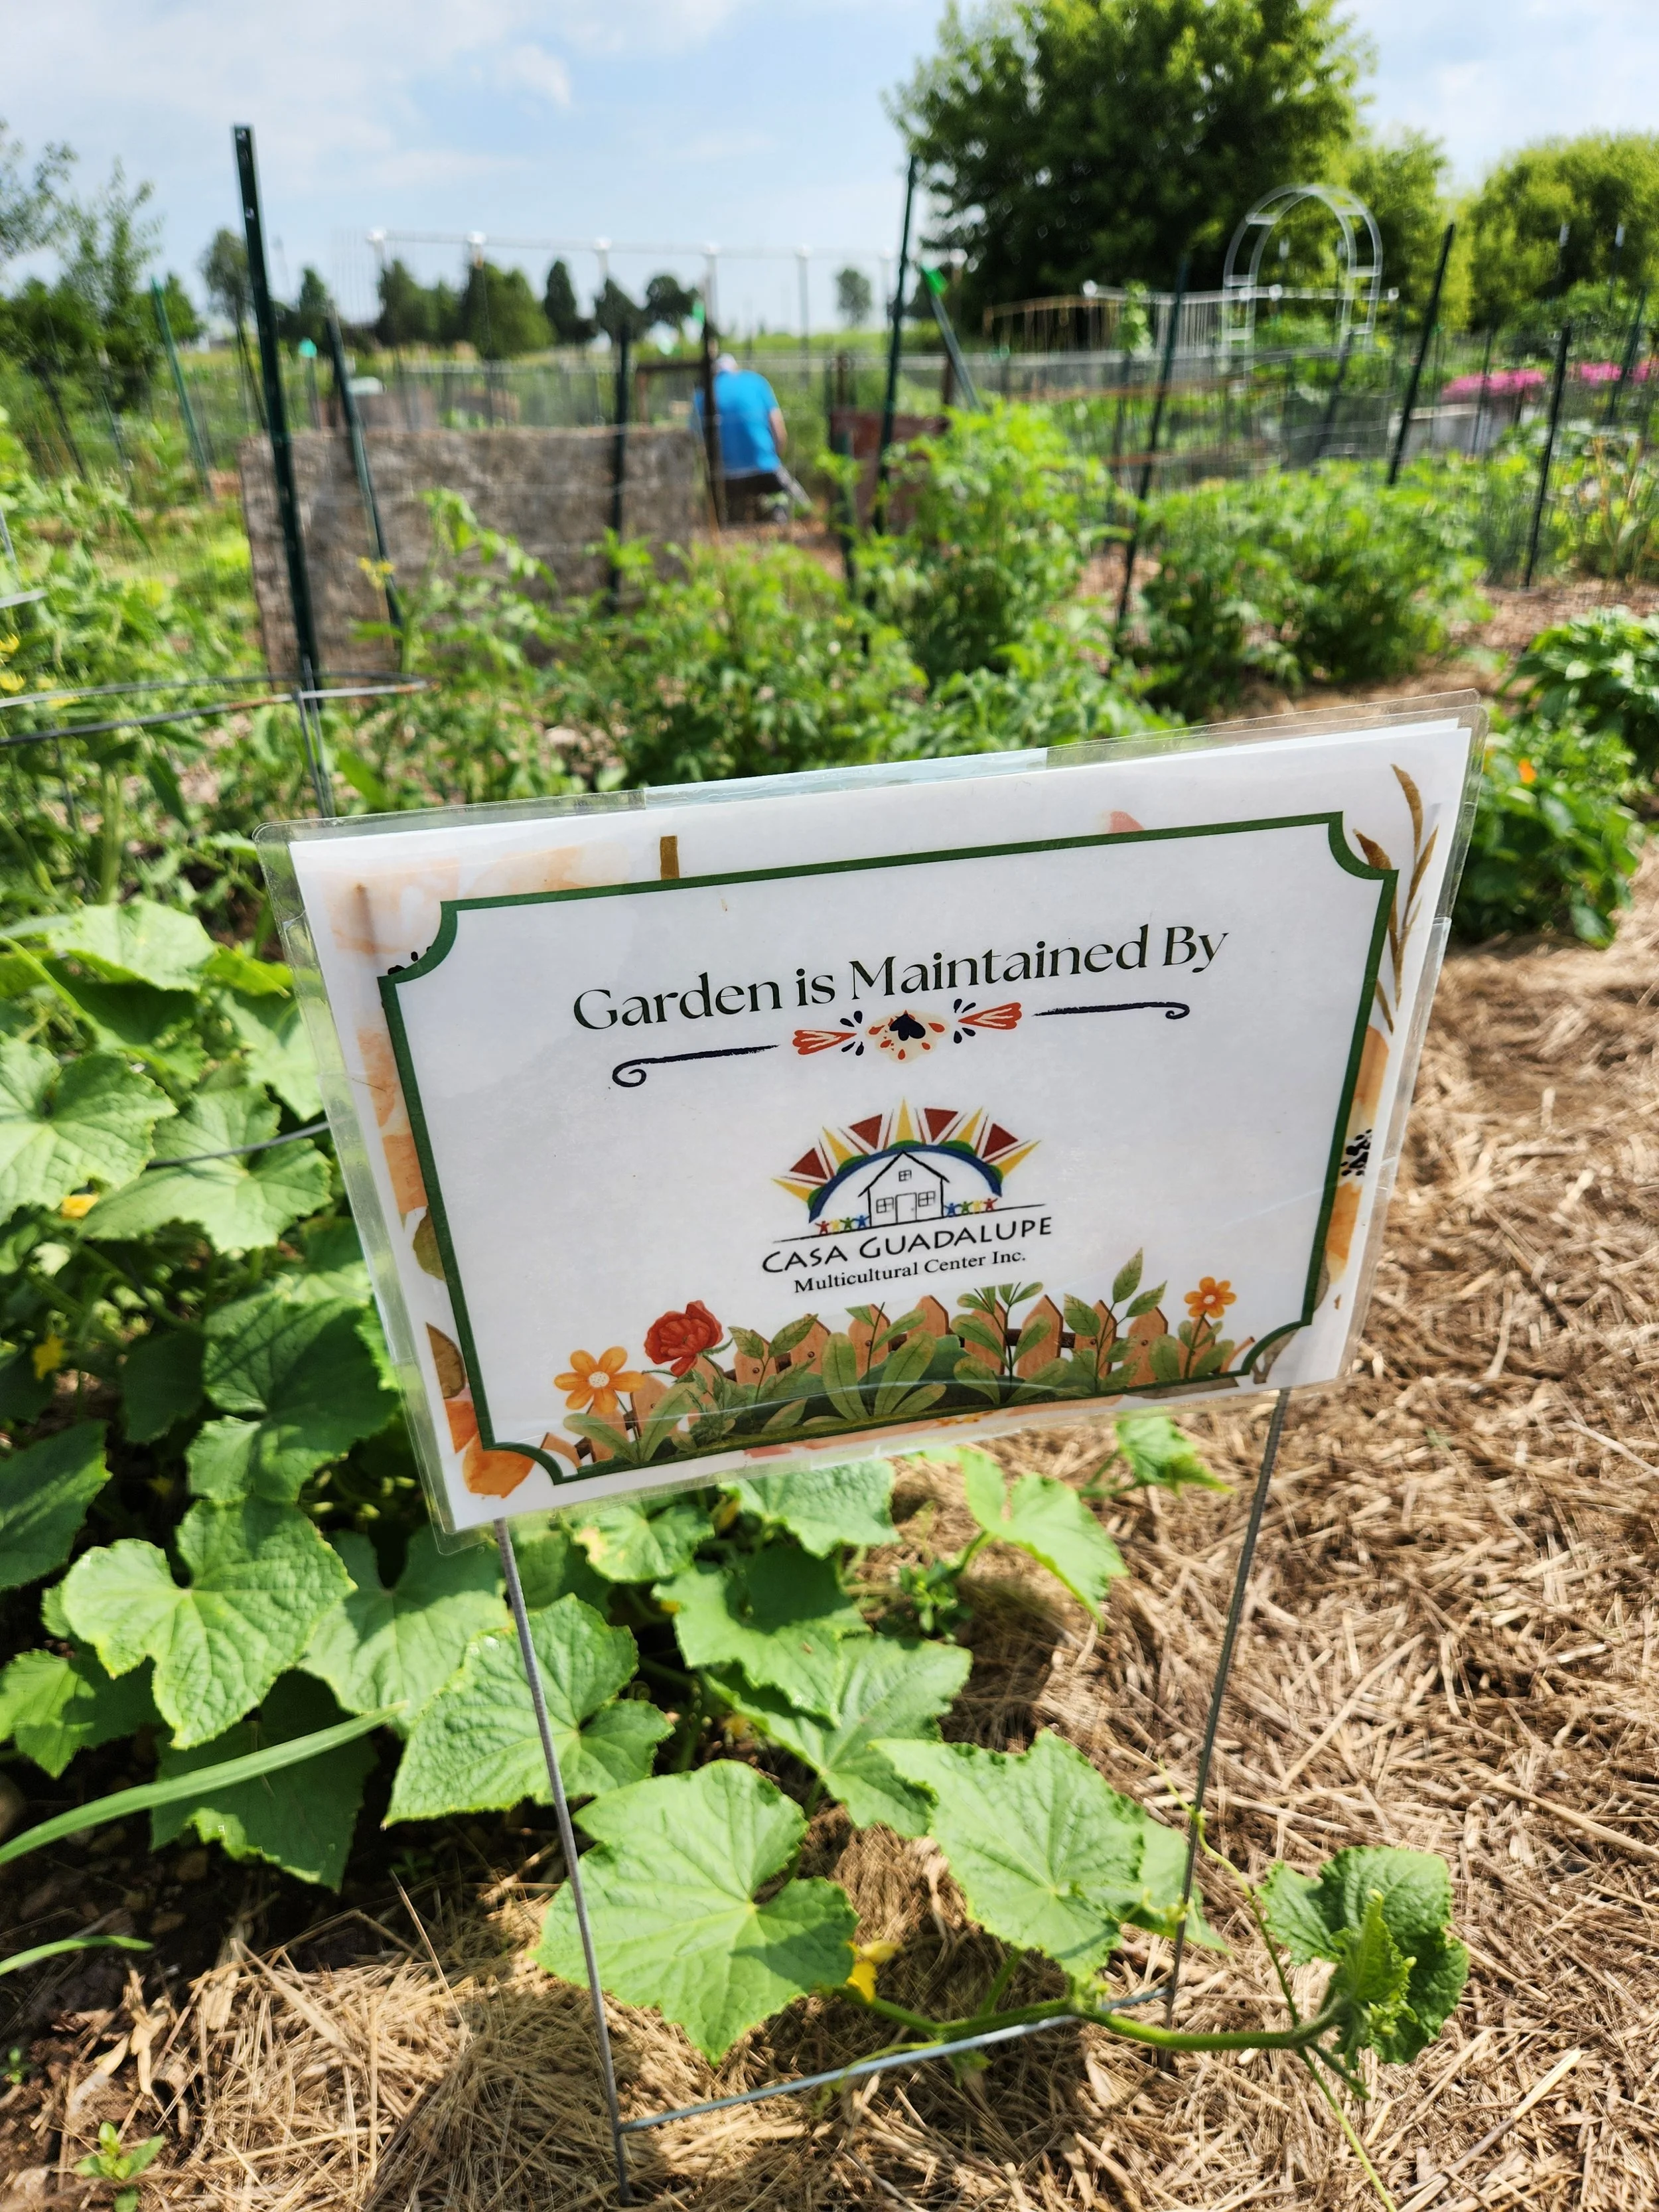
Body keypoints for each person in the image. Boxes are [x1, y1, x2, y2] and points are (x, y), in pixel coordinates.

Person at [695, 352, 810, 520]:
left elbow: (697, 443)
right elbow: (779, 430)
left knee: (723, 517)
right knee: (802, 508)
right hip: (764, 466)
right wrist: (774, 458)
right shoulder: (757, 383)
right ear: (735, 369)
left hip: (722, 474)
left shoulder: (703, 393)